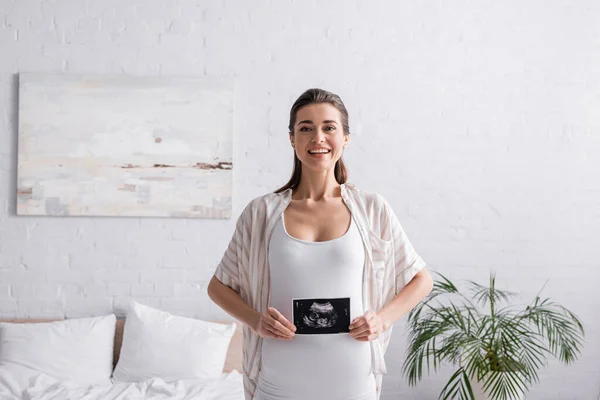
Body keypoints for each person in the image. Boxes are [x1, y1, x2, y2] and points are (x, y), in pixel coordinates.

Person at [207, 88, 434, 400]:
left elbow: (421, 280)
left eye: (329, 127)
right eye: (306, 128)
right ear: (292, 138)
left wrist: (381, 320)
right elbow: (218, 288)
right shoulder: (261, 213)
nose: (318, 138)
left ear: (345, 138)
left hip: (353, 386)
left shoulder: (371, 209)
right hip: (277, 386)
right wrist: (256, 321)